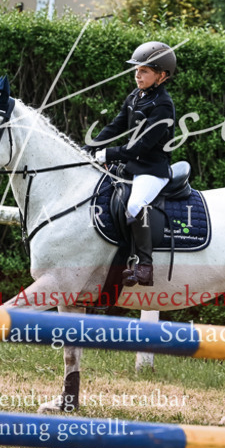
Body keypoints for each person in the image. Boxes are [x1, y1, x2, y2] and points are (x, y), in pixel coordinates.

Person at [86, 41, 177, 287]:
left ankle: (145, 266)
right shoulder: (136, 96)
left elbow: (141, 146)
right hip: (131, 167)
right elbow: (114, 126)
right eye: (136, 70)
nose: (137, 75)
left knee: (136, 204)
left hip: (152, 169)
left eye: (144, 71)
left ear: (162, 76)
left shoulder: (163, 105)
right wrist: (89, 147)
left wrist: (108, 154)